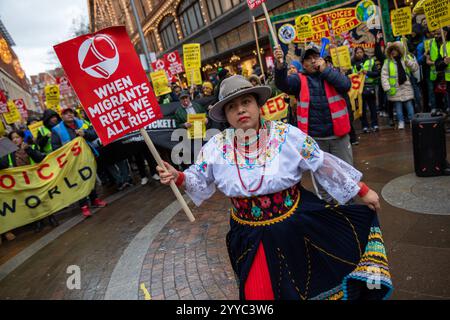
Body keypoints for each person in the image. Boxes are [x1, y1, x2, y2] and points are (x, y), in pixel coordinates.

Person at [156, 75, 392, 300]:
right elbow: (198, 177)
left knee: (303, 286)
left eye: (246, 102)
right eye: (232, 107)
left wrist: (362, 190)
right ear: (226, 115)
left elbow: (321, 163)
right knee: (259, 292)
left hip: (294, 226)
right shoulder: (216, 146)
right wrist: (177, 176)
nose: (240, 110)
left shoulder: (287, 135)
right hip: (247, 234)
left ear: (258, 105)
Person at [274, 46, 353, 202]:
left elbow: (345, 85)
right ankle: (328, 211)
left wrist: (326, 71)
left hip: (339, 136)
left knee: (346, 176)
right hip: (315, 141)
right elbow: (283, 84)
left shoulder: (331, 73)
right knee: (322, 180)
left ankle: (350, 208)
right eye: (308, 59)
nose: (313, 60)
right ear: (303, 64)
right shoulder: (299, 80)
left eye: (315, 57)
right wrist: (280, 66)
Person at [51, 106, 107, 217]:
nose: (69, 114)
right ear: (62, 116)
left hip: (87, 156)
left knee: (90, 178)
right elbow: (55, 147)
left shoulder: (82, 123)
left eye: (71, 112)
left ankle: (95, 199)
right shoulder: (56, 129)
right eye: (66, 113)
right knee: (78, 181)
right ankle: (84, 206)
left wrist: (85, 133)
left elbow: (94, 134)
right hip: (72, 160)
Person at [0, 130, 57, 235]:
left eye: (17, 137)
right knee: (29, 202)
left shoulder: (32, 147)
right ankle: (38, 222)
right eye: (12, 138)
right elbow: (3, 165)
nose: (15, 140)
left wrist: (29, 149)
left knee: (43, 198)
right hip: (21, 182)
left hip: (34, 179)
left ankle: (51, 217)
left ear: (22, 138)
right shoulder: (9, 154)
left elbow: (40, 158)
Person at [381, 42, 419, 129]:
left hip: (406, 86)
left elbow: (415, 68)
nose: (393, 52)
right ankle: (401, 122)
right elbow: (384, 76)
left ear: (399, 51)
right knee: (398, 108)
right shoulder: (387, 62)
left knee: (409, 105)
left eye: (395, 50)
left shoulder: (405, 59)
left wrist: (408, 62)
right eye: (392, 50)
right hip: (394, 88)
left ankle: (412, 121)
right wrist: (387, 87)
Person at [351, 47, 380, 133]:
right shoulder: (352, 64)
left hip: (369, 87)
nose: (359, 54)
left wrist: (367, 72)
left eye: (361, 52)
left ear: (364, 52)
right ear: (355, 54)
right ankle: (365, 126)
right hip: (358, 90)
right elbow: (349, 75)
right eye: (357, 52)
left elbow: (376, 73)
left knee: (373, 108)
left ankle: (375, 124)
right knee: (361, 109)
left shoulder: (370, 61)